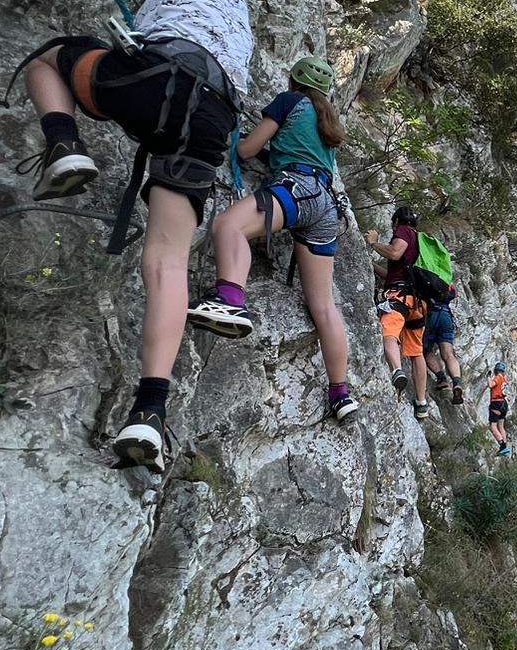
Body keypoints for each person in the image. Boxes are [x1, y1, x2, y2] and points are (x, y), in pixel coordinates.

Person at [11, 0, 257, 471]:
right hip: (212, 119)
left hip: (154, 78)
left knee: (51, 58)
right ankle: (149, 410)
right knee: (168, 263)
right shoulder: (241, 9)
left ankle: (64, 144)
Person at [185, 56, 358, 422]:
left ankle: (229, 297)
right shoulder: (327, 120)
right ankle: (341, 394)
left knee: (229, 226)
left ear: (293, 81)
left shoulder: (287, 101)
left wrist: (242, 143)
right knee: (324, 307)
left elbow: (247, 149)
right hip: (325, 205)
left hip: (295, 189)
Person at [366, 205, 429, 420]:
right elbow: (396, 272)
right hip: (417, 303)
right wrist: (373, 267)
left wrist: (373, 243)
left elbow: (394, 252)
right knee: (416, 352)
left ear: (395, 222)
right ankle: (421, 403)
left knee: (389, 333)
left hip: (398, 298)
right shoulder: (420, 241)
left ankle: (396, 370)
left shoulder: (403, 231)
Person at [423, 297, 464, 403]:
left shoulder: (426, 280)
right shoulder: (446, 280)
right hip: (445, 314)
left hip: (429, 314)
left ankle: (442, 378)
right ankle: (457, 382)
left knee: (426, 351)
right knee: (448, 354)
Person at [488, 361, 510, 457]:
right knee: (501, 426)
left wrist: (488, 377)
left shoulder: (498, 377)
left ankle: (502, 446)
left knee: (493, 426)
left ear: (496, 371)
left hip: (496, 403)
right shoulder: (505, 379)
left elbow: (491, 385)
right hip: (504, 403)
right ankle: (505, 446)